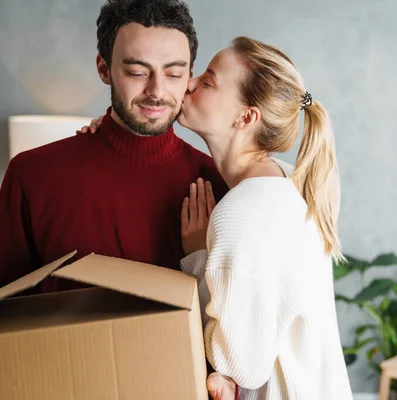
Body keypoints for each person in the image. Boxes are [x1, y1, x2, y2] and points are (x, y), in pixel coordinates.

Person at [80, 36, 353, 400]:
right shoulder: (287, 180)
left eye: (207, 81)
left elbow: (243, 367)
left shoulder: (242, 212)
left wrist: (198, 258)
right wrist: (113, 129)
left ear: (246, 117)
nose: (189, 83)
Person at [0, 0, 227, 293]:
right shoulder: (31, 175)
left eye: (173, 74)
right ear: (104, 69)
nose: (157, 92)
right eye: (136, 72)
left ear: (189, 76)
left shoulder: (216, 183)